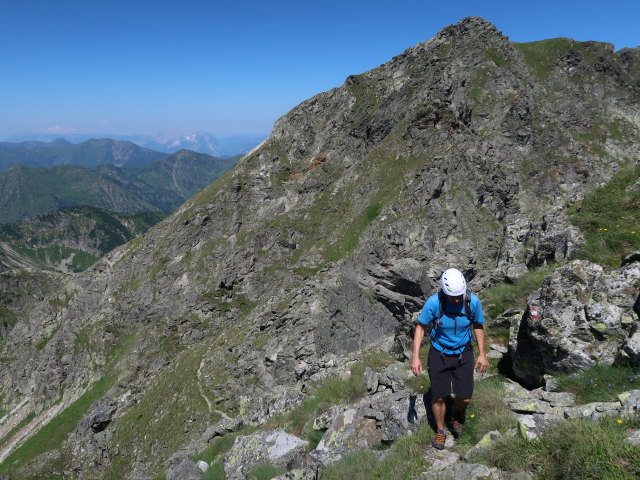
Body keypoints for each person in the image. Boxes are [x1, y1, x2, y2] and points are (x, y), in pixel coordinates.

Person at [411, 268, 489, 450]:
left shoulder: (472, 302)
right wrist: (415, 357)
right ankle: (440, 430)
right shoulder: (434, 303)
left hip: (464, 353)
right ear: (444, 292)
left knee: (465, 398)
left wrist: (482, 354)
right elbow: (420, 327)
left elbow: (478, 325)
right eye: (452, 296)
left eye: (459, 295)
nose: (456, 300)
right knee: (438, 397)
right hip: (439, 354)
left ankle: (454, 413)